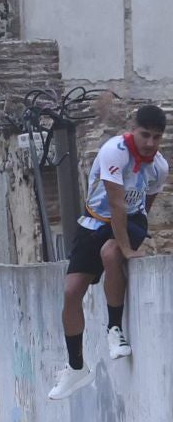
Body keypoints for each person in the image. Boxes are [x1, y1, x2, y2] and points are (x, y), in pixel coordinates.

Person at [51, 105, 165, 400]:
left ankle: (115, 329)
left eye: (156, 137)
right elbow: (115, 202)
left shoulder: (159, 166)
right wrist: (127, 245)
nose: (150, 143)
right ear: (132, 128)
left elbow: (144, 204)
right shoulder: (114, 151)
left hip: (131, 220)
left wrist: (128, 243)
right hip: (95, 220)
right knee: (71, 292)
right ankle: (76, 366)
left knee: (111, 254)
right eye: (145, 135)